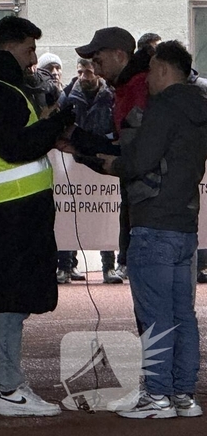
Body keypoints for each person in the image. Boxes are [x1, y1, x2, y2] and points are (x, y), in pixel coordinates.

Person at [0, 16, 73, 417]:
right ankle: (10, 388)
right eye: (29, 49)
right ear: (8, 48)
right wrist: (56, 123)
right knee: (9, 299)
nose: (34, 58)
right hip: (13, 213)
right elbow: (16, 147)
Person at [94, 41, 207, 419]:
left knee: (155, 315)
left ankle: (156, 394)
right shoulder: (201, 107)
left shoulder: (163, 108)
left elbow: (140, 160)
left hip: (153, 222)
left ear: (162, 70)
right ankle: (183, 396)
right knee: (183, 315)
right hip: (186, 224)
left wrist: (113, 163)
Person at [72, 27, 151, 280]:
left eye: (98, 60)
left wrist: (79, 143)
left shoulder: (137, 88)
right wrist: (78, 145)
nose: (95, 68)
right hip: (144, 202)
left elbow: (134, 153)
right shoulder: (127, 87)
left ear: (119, 55)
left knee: (156, 303)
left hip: (149, 207)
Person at [57, 58, 123, 284]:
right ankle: (64, 266)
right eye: (81, 72)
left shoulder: (110, 96)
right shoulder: (67, 96)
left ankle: (109, 267)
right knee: (69, 213)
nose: (85, 77)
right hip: (74, 160)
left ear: (97, 73)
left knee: (106, 216)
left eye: (89, 72)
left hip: (102, 159)